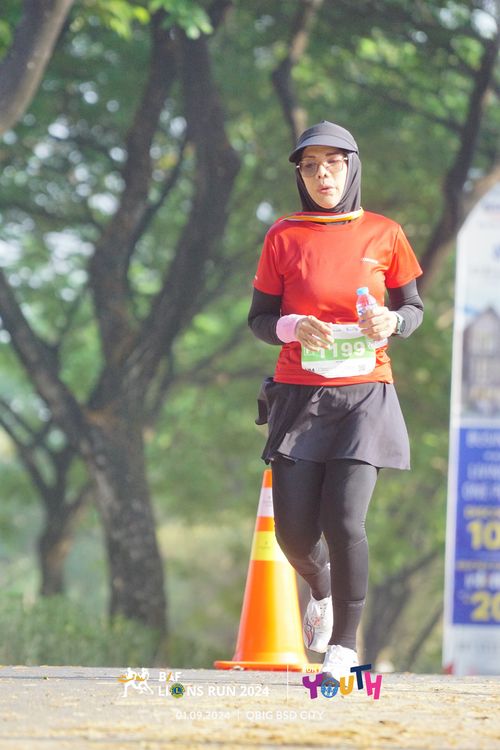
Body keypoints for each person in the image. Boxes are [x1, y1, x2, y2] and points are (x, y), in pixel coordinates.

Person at [248, 120, 424, 679]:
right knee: (295, 534)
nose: (322, 174)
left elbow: (413, 308)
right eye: (310, 166)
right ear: (300, 176)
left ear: (352, 167)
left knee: (346, 519)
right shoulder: (283, 236)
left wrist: (393, 321)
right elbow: (259, 319)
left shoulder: (385, 233)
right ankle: (320, 589)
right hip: (300, 395)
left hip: (366, 393)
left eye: (333, 163)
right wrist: (293, 326)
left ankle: (344, 647)